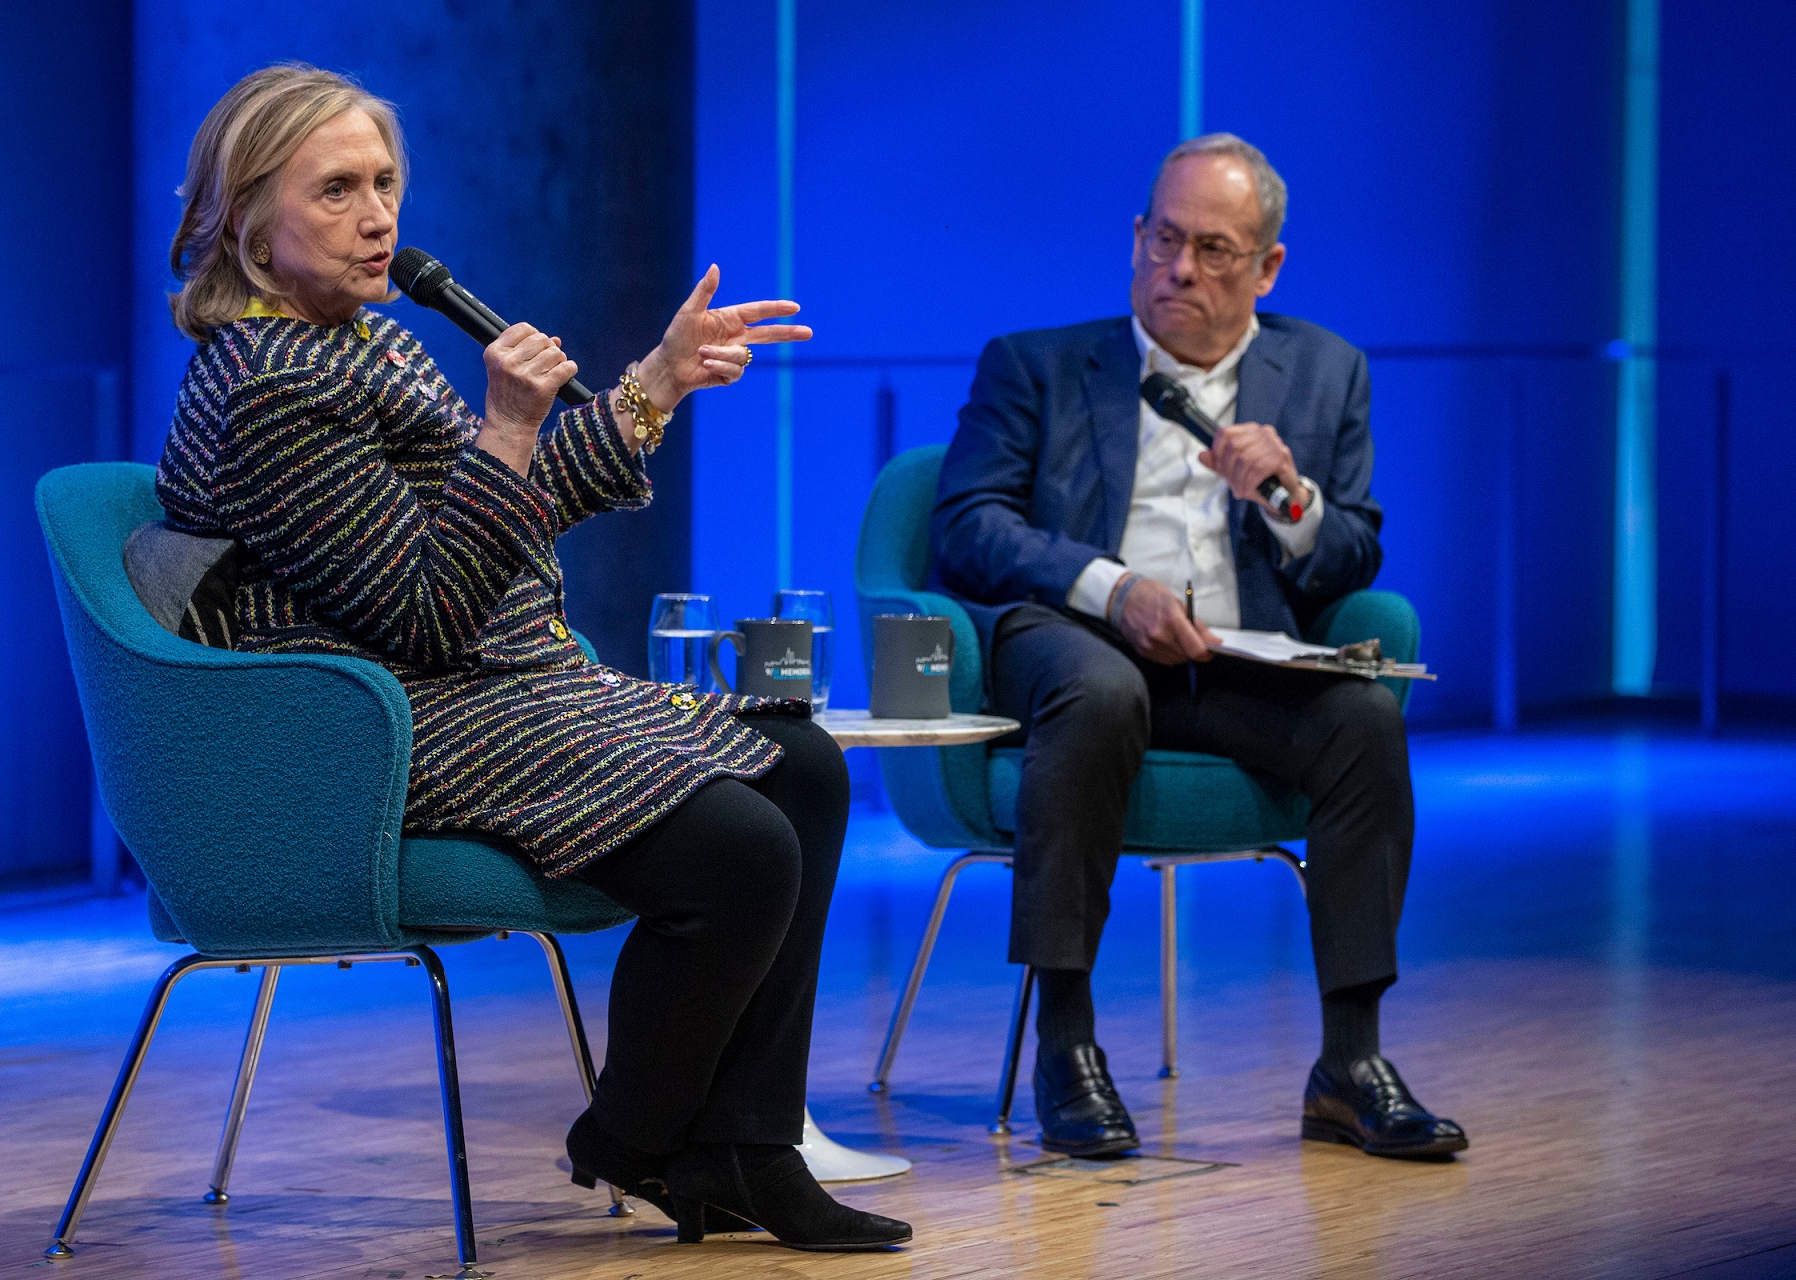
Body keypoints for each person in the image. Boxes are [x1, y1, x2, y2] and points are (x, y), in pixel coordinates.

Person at [156, 63, 910, 1251]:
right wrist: (507, 426)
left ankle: (747, 1143)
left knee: (802, 763)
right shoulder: (264, 389)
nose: (378, 217)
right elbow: (423, 609)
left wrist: (651, 386)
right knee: (738, 848)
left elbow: (484, 521)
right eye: (337, 190)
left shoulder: (359, 345)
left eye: (387, 182)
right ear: (245, 221)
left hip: (489, 680)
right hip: (390, 717)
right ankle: (640, 1135)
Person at [930, 133, 1466, 1161]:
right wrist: (1109, 584)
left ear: (1267, 265)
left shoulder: (1323, 368)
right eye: (1164, 239)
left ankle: (1351, 1061)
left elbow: (1350, 551)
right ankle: (1067, 1042)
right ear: (1135, 238)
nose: (1179, 269)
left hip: (1235, 657)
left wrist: (1294, 499)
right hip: (1079, 641)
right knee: (1097, 692)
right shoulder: (1037, 363)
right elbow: (966, 525)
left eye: (1214, 249)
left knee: (1362, 721)